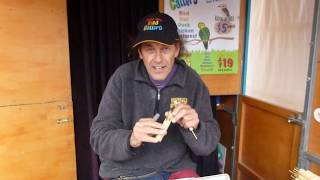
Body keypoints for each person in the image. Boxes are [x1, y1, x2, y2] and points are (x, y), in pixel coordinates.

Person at [90, 12, 221, 180]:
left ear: (176, 50)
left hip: (175, 169)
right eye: (150, 50)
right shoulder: (122, 78)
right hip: (125, 172)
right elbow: (98, 136)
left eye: (165, 49)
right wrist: (131, 138)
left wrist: (195, 127)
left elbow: (207, 146)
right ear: (140, 53)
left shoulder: (192, 81)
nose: (158, 59)